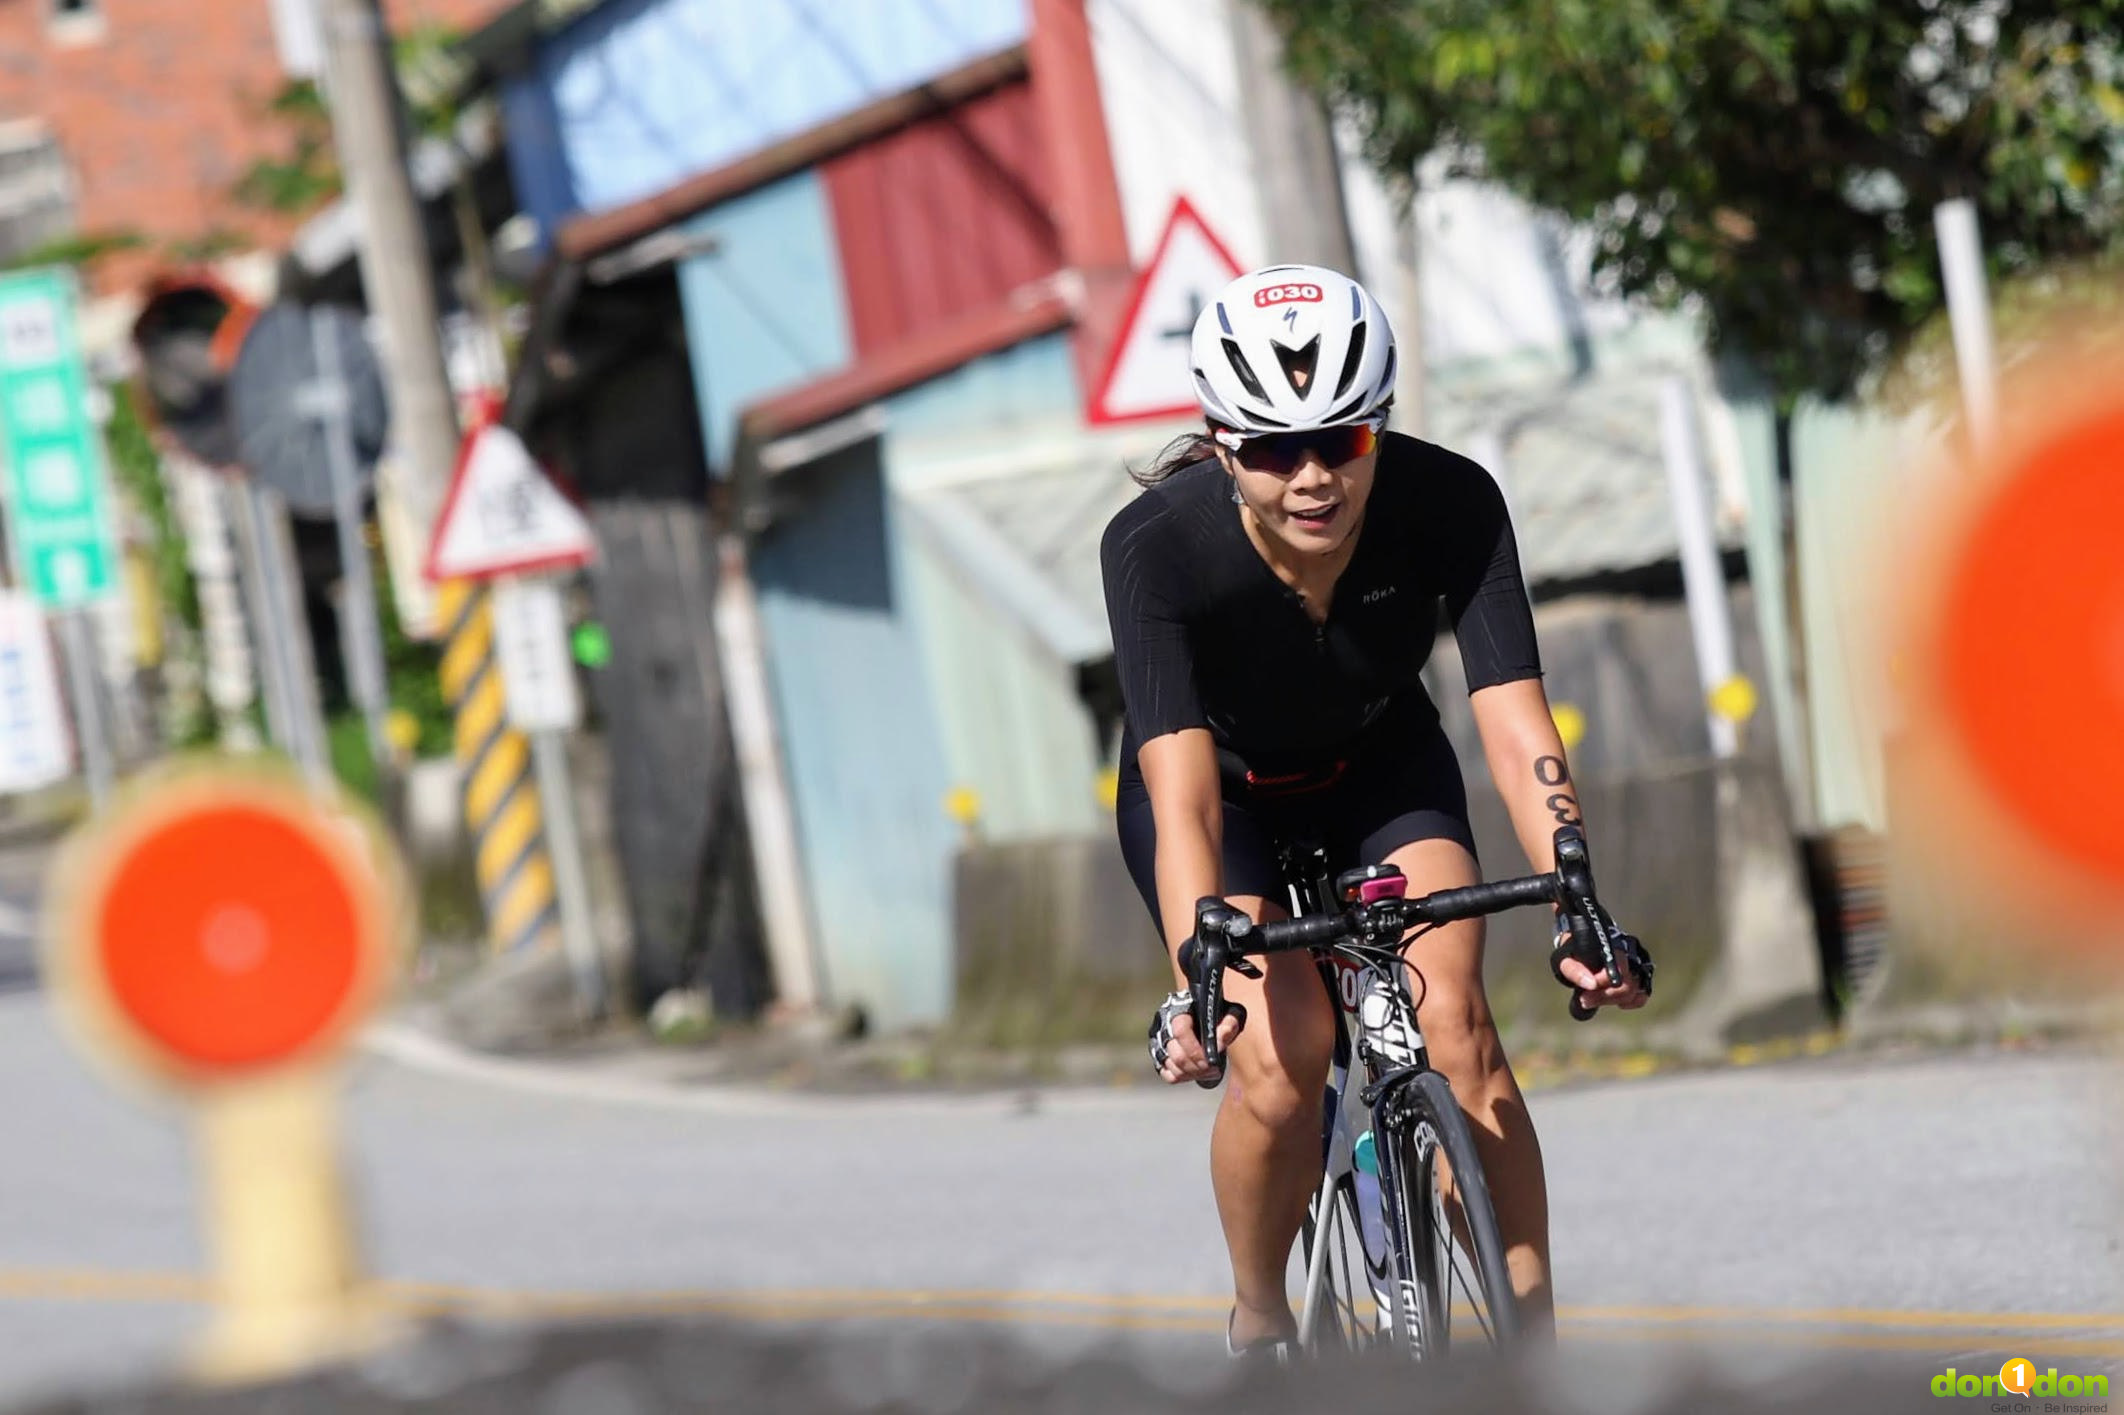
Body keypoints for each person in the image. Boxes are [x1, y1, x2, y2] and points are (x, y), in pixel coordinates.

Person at [1098, 263, 1651, 1356]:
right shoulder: (1156, 545)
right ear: (1219, 444)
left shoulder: (1451, 501)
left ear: (1379, 429)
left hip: (1379, 767)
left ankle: (1531, 1358)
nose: (1312, 477)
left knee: (1460, 1030)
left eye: (1343, 441)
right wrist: (1193, 978)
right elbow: (1185, 797)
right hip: (1228, 794)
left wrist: (1575, 894)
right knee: (1283, 1054)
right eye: (1270, 449)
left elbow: (1513, 720)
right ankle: (1259, 1315)